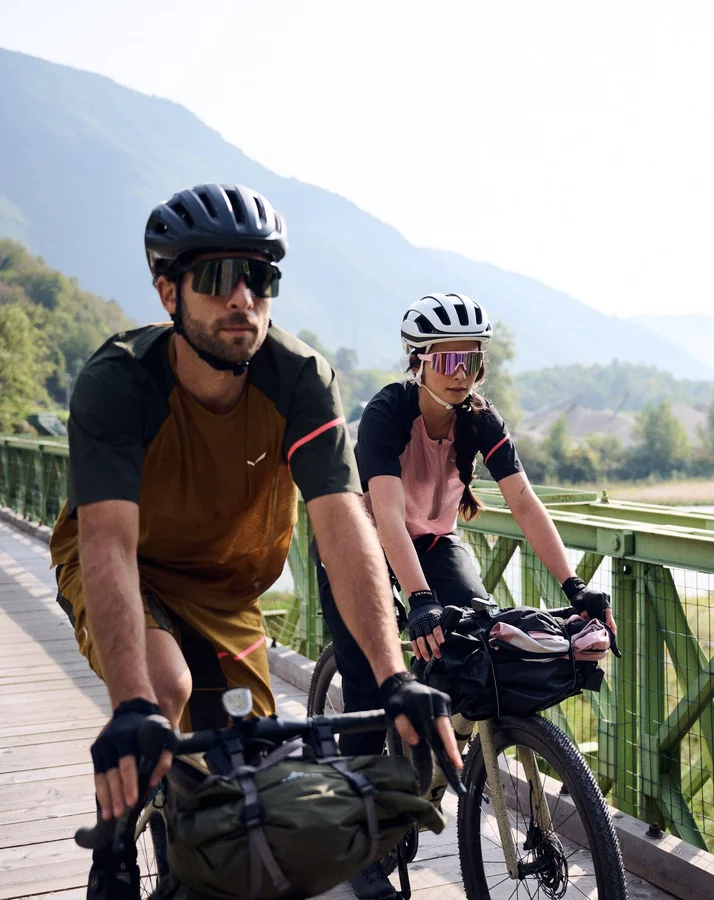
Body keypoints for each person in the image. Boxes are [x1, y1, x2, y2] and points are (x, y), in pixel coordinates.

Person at [48, 185, 461, 900]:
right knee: (164, 691)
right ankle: (113, 843)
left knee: (254, 775)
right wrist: (131, 705)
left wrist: (394, 677)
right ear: (168, 292)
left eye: (259, 277)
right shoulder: (119, 382)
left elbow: (343, 525)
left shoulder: (299, 378)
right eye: (216, 278)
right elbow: (108, 543)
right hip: (131, 567)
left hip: (228, 591)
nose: (242, 298)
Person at [315, 292, 617, 900]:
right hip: (361, 541)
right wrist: (419, 599)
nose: (462, 374)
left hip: (434, 539)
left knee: (481, 641)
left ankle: (425, 762)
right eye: (449, 360)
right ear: (418, 360)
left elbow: (524, 503)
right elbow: (388, 520)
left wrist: (575, 586)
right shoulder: (386, 414)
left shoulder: (480, 419)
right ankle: (357, 841)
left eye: (472, 360)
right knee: (371, 681)